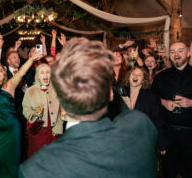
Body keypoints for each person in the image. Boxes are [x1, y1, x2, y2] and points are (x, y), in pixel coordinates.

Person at [19, 38, 158, 178]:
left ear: (61, 100)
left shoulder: (35, 169)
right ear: (110, 93)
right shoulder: (141, 126)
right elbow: (124, 111)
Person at [0, 51, 43, 178]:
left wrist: (32, 59)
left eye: (1, 70)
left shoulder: (10, 85)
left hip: (12, 129)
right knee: (0, 160)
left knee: (13, 160)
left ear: (5, 73)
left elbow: (21, 71)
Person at [151, 42, 192, 178]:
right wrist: (164, 102)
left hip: (190, 134)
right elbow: (151, 99)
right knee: (168, 171)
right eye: (173, 51)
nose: (176, 54)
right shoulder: (161, 76)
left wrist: (191, 102)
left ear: (188, 53)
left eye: (180, 50)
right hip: (168, 134)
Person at [22, 63, 63, 157]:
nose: (45, 75)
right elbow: (25, 109)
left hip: (54, 130)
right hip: (38, 131)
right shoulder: (30, 91)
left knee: (54, 157)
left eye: (48, 72)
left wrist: (62, 119)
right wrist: (35, 114)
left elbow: (63, 107)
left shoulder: (57, 89)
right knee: (38, 157)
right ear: (37, 76)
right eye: (42, 73)